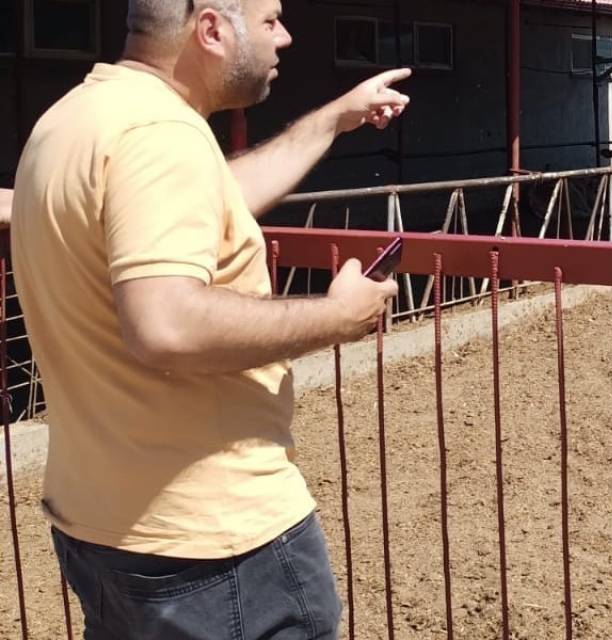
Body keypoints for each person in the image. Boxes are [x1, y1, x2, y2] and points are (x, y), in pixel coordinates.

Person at [10, 1, 409, 637]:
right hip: (214, 547)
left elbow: (199, 199)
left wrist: (335, 119)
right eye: (271, 18)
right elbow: (165, 324)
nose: (286, 35)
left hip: (107, 526)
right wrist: (336, 316)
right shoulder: (159, 136)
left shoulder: (79, 118)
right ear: (213, 30)